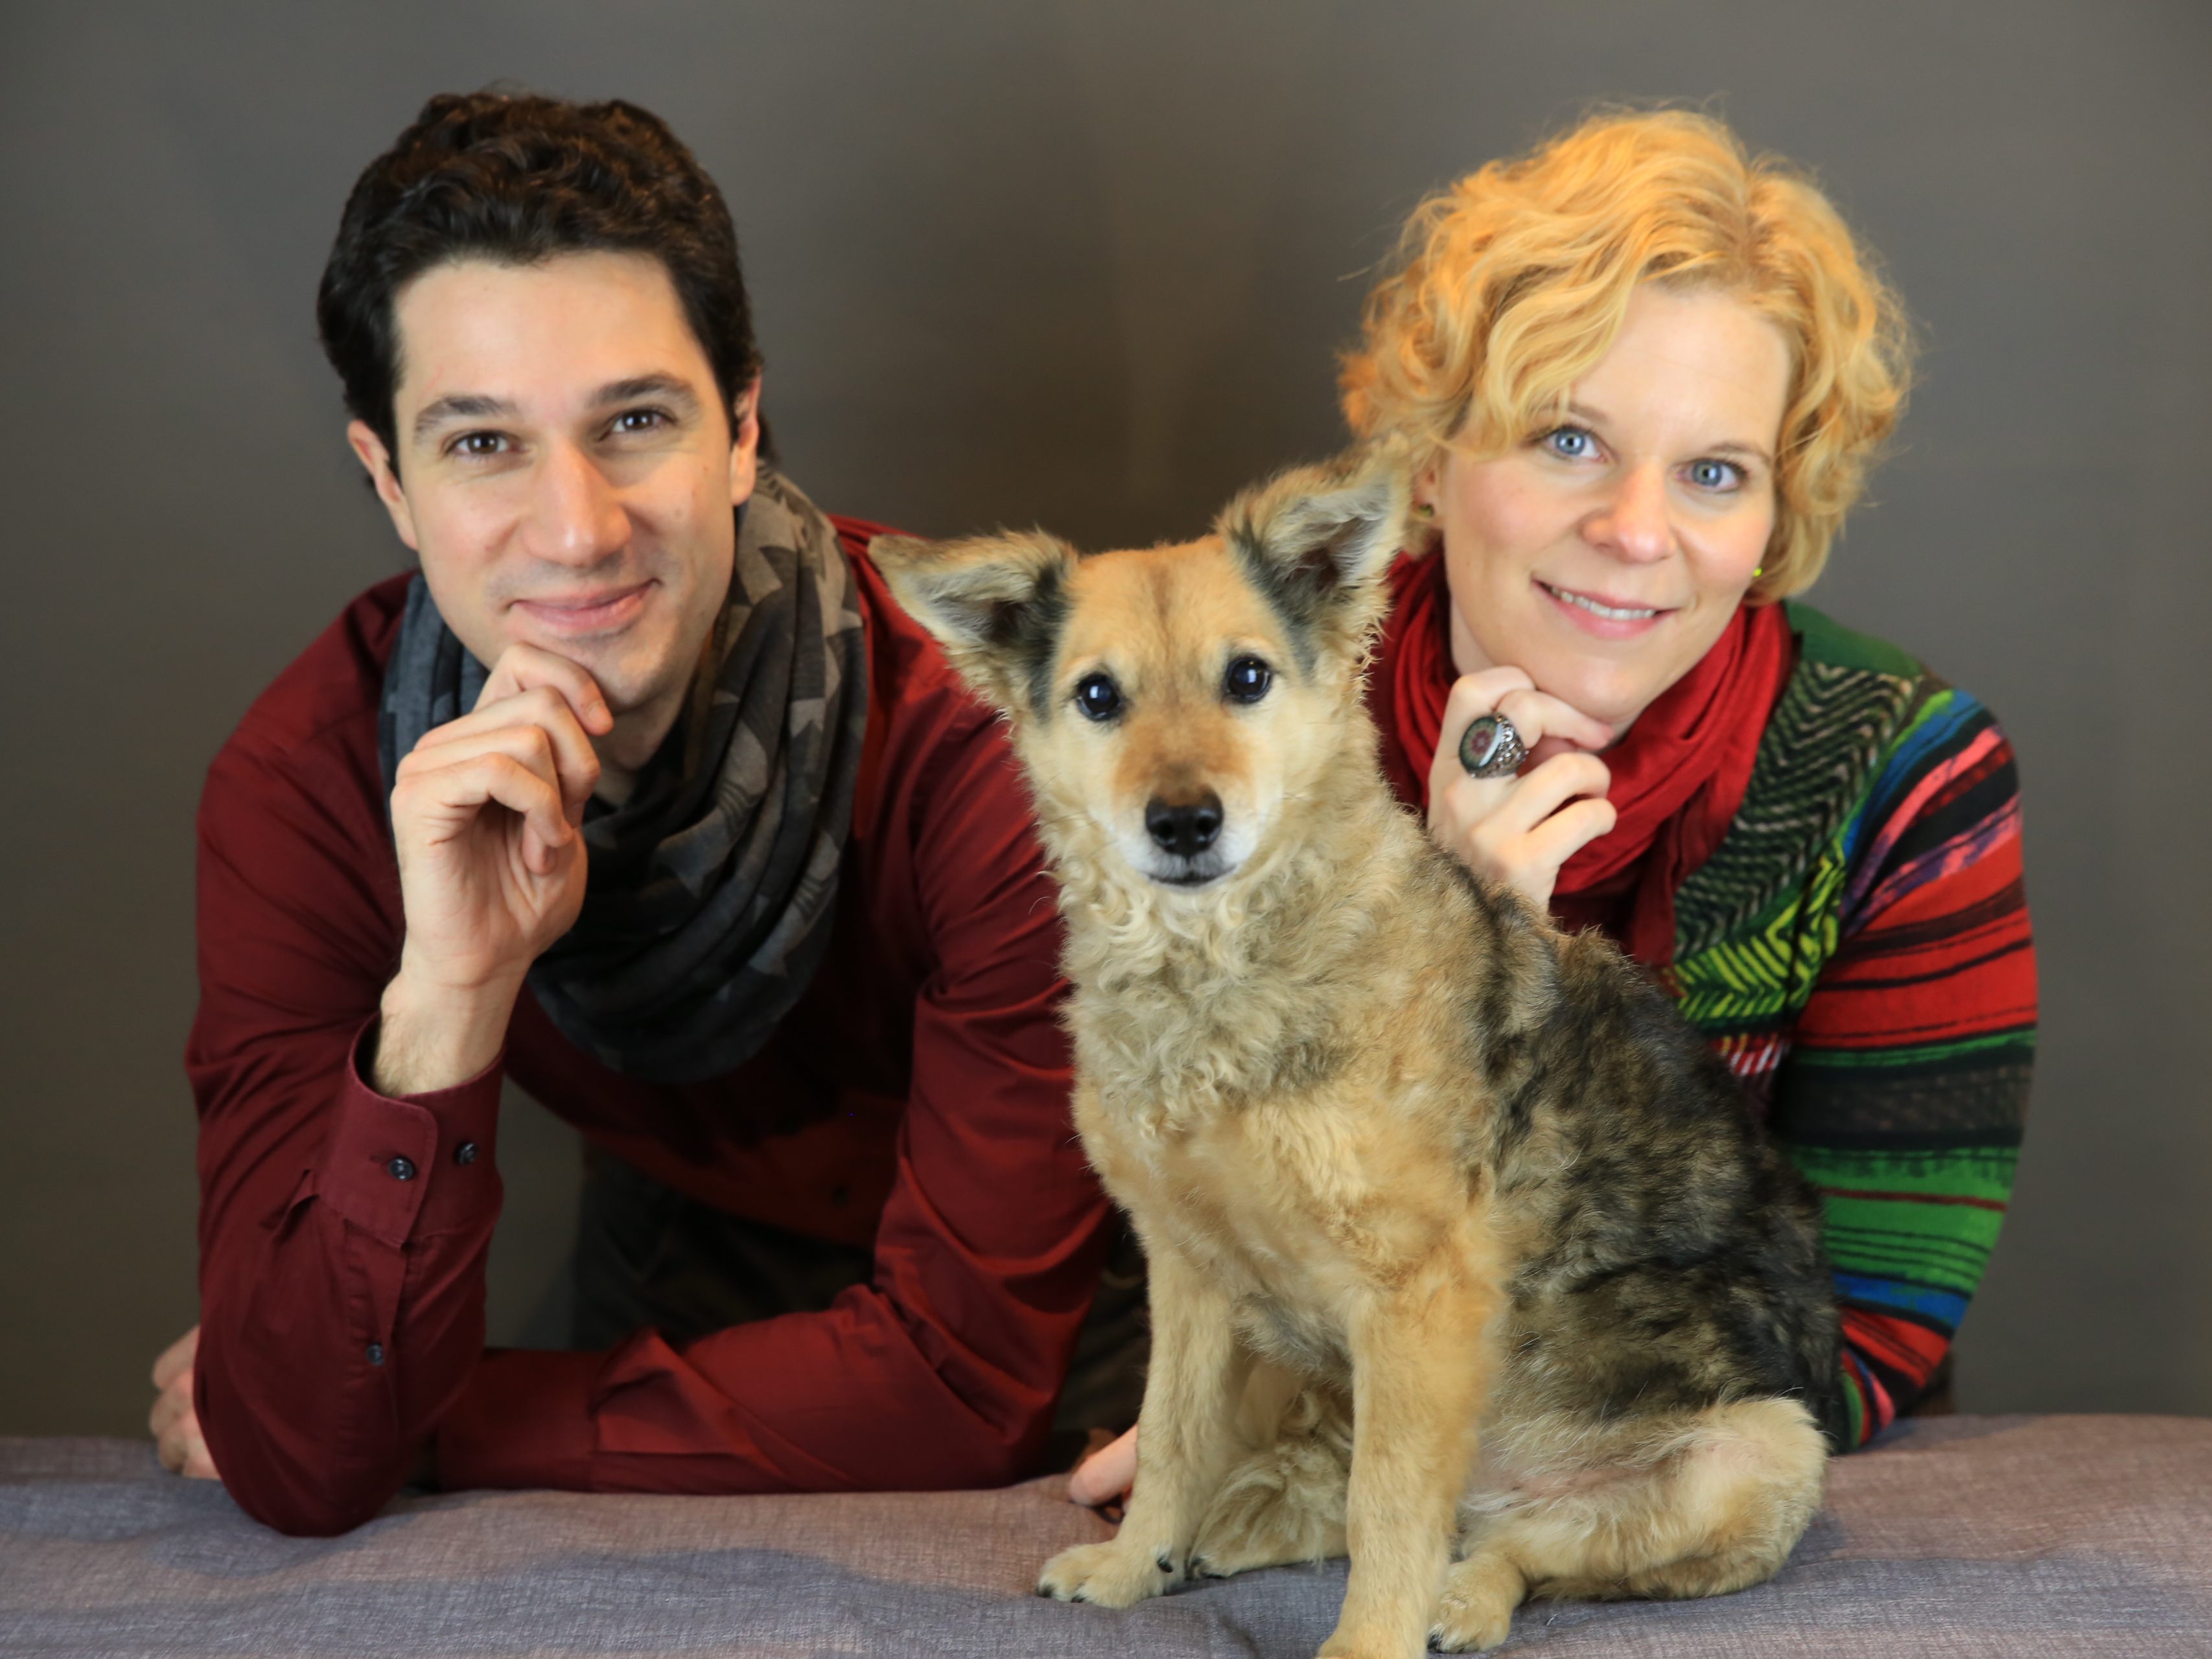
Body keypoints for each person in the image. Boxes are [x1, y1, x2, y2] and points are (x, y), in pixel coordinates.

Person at [149, 90, 1143, 1537]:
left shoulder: (1000, 741)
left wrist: (445, 1415)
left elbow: (959, 1376)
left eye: (634, 420)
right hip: (673, 1276)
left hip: (1074, 1314)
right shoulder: (304, 785)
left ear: (742, 426)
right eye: (482, 443)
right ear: (389, 481)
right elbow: (301, 1450)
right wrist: (450, 992)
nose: (576, 529)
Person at [1071, 108, 2034, 1505]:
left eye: (1715, 471)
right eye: (1570, 438)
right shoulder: (1221, 730)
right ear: (1428, 457)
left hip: (1668, 1489)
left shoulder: (1904, 780)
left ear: (1777, 510)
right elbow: (1152, 1229)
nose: (1640, 530)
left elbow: (1861, 1333)